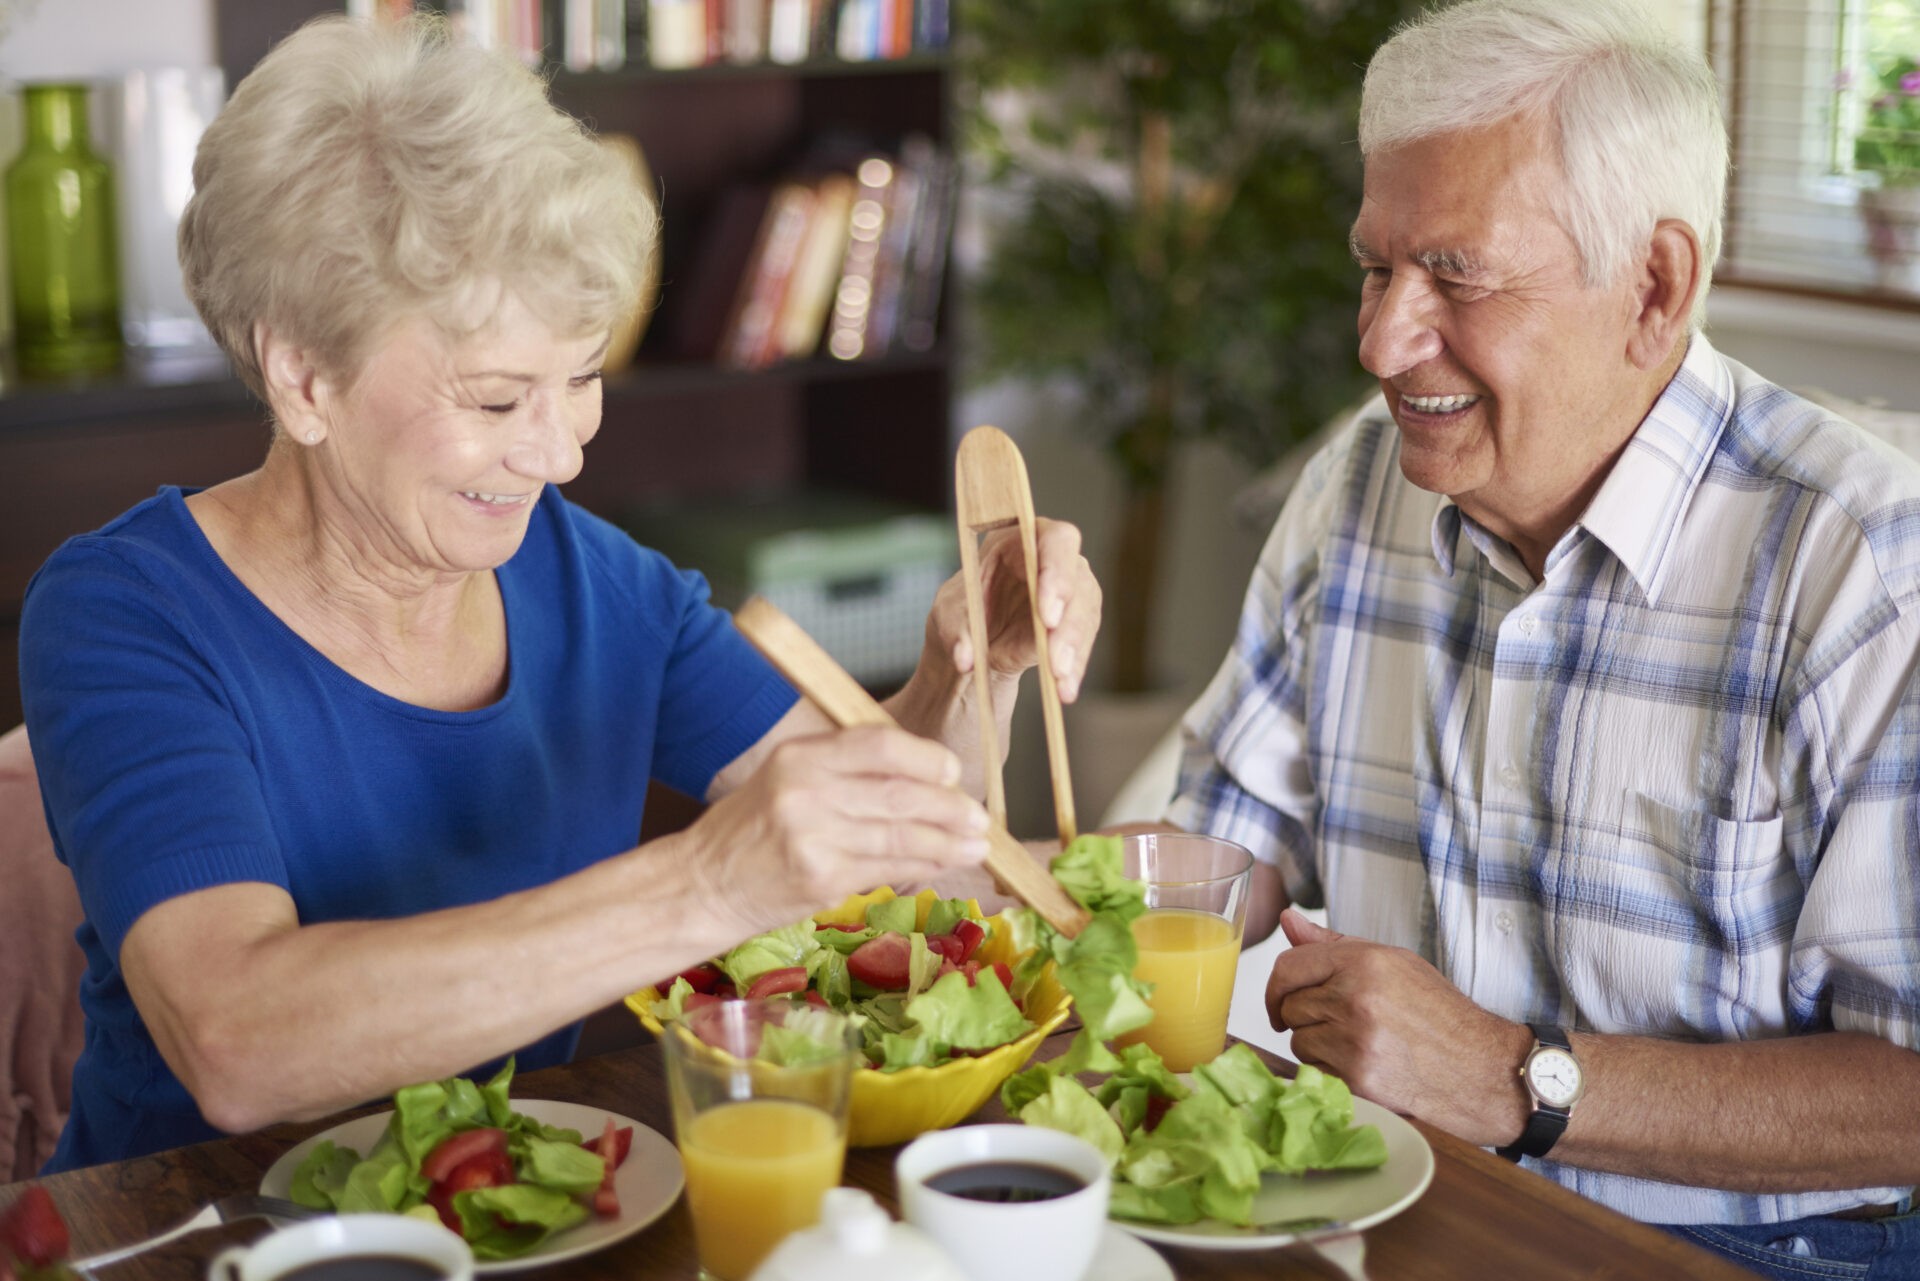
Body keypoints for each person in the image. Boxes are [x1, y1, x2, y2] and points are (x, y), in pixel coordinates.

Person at [18, 15, 1100, 1173]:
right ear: (304, 377)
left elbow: (870, 854)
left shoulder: (598, 583)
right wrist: (709, 881)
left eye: (580, 380)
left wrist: (958, 674)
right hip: (196, 1229)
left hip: (537, 1208)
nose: (560, 453)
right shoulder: (129, 613)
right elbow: (235, 1041)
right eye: (494, 400)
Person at [1163, 0, 1920, 1273]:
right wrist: (968, 872)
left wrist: (1518, 1080)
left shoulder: (1866, 571)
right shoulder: (1356, 486)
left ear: (1655, 286)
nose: (1382, 341)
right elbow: (1225, 854)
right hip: (1418, 1205)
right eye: (1375, 268)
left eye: (1454, 275)